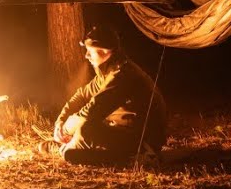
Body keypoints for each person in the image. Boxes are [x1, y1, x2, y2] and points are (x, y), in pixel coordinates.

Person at [43, 25, 168, 166]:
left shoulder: (122, 75)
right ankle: (69, 147)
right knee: (85, 130)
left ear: (105, 51)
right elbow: (82, 95)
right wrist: (60, 121)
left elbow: (91, 111)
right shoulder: (107, 72)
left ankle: (136, 159)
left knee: (84, 133)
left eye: (90, 51)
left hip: (143, 140)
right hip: (124, 132)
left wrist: (65, 130)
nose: (86, 55)